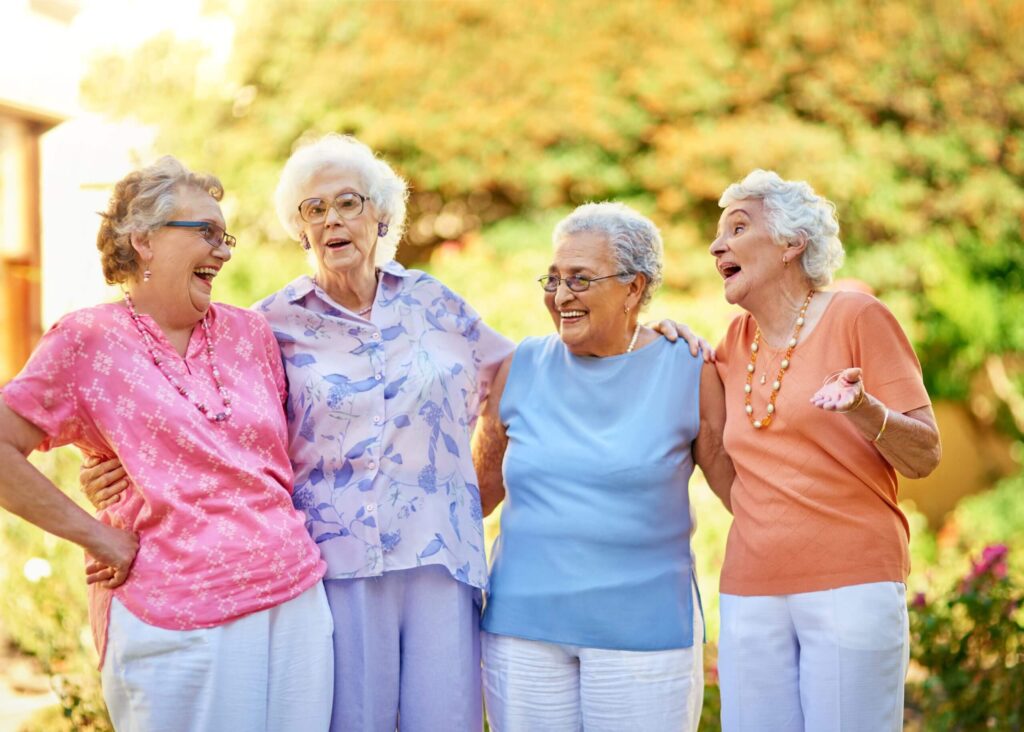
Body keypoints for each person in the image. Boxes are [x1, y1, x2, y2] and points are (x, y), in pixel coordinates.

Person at [0, 156, 333, 732]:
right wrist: (98, 535)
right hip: (176, 613)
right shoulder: (86, 342)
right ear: (144, 240)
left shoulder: (251, 333)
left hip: (294, 599)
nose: (224, 251)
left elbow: (259, 457)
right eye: (205, 232)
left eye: (224, 236)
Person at [474, 202, 734, 731]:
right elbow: (473, 493)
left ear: (634, 289)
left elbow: (740, 493)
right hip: (523, 633)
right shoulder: (519, 366)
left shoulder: (687, 368)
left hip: (644, 638)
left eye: (580, 280)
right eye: (553, 278)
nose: (561, 296)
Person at [708, 170, 941, 731]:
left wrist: (864, 409)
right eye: (716, 235)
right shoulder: (731, 344)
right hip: (749, 589)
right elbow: (715, 456)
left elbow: (925, 454)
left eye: (738, 228)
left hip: (851, 585)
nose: (717, 246)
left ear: (792, 243)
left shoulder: (857, 317)